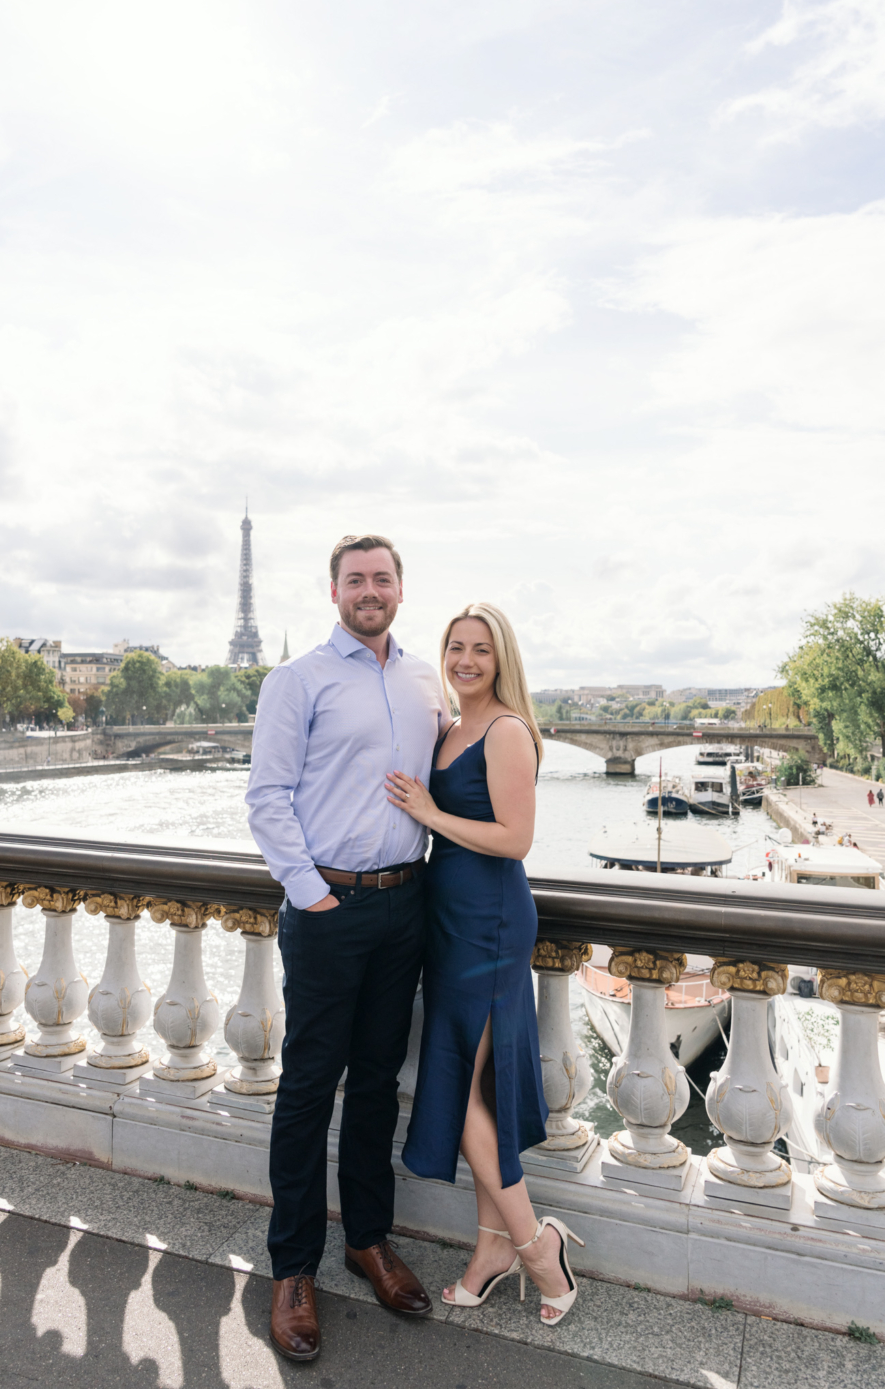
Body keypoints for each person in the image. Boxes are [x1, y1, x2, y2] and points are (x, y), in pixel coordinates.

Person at [246, 534, 448, 1364]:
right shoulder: (298, 679)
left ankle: (367, 1239)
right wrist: (312, 895)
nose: (371, 589)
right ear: (335, 591)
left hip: (407, 904)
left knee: (374, 1084)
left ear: (401, 588)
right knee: (307, 1087)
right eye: (356, 578)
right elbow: (267, 798)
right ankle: (292, 1267)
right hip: (330, 909)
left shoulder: (424, 679)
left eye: (383, 578)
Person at [388, 603, 584, 1327]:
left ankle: (537, 1245)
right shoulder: (449, 726)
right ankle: (491, 1248)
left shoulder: (505, 731)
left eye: (481, 650)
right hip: (448, 920)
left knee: (458, 1084)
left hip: (491, 924)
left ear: (502, 660)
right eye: (456, 647)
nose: (466, 659)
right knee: (474, 1086)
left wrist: (430, 815)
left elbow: (516, 838)